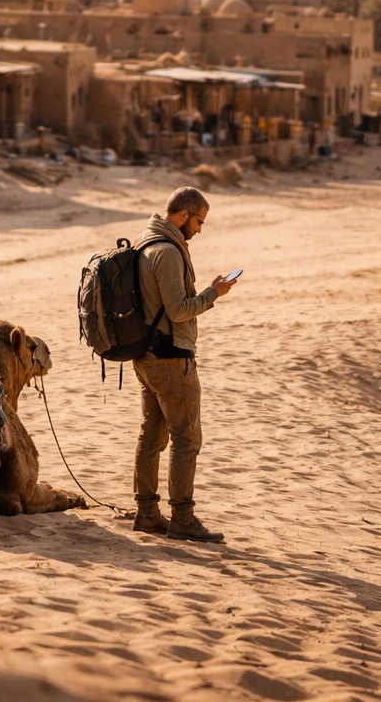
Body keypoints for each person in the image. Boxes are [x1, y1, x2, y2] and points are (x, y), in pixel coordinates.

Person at [131, 186, 237, 543]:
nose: (199, 229)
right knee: (186, 439)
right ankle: (183, 519)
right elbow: (177, 311)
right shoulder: (169, 252)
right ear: (181, 216)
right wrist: (212, 295)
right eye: (198, 221)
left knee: (152, 434)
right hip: (172, 359)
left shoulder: (145, 241)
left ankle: (147, 514)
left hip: (145, 355)